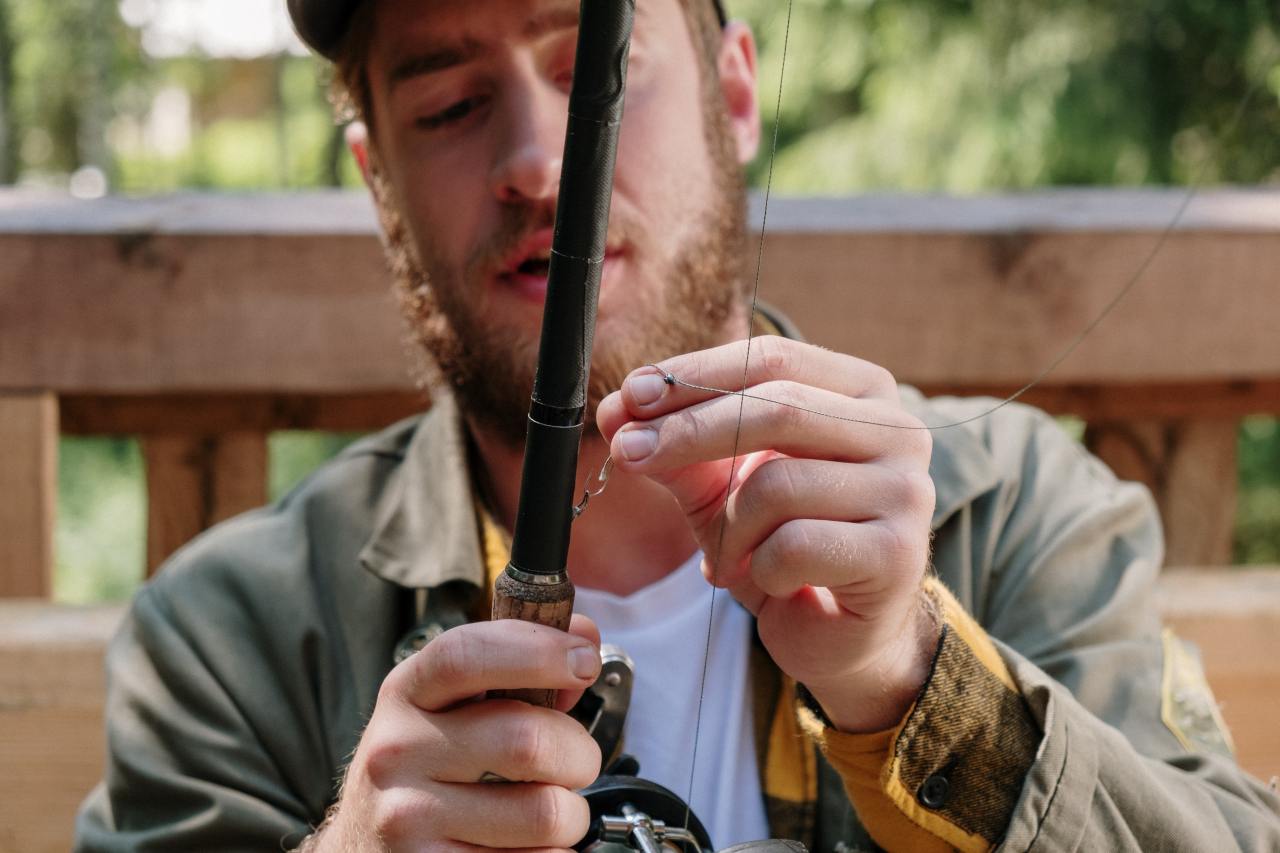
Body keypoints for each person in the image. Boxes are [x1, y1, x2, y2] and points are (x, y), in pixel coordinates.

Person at [76, 0, 1280, 850]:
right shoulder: (226, 642)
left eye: (592, 71)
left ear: (734, 95)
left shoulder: (1013, 510)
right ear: (376, 183)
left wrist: (903, 674)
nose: (538, 163)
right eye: (448, 103)